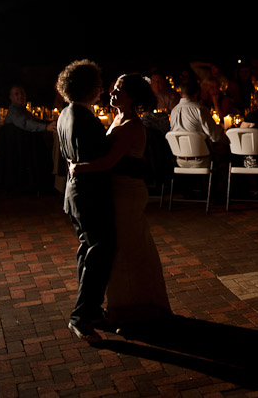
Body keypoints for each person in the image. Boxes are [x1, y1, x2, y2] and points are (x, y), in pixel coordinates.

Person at [70, 73, 171, 330]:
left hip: (127, 193)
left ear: (133, 96)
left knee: (127, 248)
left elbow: (108, 162)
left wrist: (77, 168)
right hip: (117, 190)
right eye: (113, 88)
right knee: (121, 248)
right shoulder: (117, 119)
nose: (112, 93)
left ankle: (133, 309)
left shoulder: (132, 125)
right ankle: (124, 304)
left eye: (119, 90)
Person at [56, 60, 112, 342]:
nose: (101, 89)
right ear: (86, 87)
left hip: (75, 194)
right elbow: (96, 160)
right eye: (97, 84)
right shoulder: (83, 118)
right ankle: (81, 316)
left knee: (87, 251)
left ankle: (91, 308)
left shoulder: (66, 113)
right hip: (89, 195)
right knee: (99, 253)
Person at [1, 85, 57, 195]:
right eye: (17, 94)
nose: (20, 96)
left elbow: (33, 120)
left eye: (22, 93)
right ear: (11, 98)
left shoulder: (22, 110)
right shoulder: (14, 112)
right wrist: (46, 127)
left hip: (26, 149)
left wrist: (47, 124)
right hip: (23, 152)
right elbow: (26, 124)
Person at [169, 79, 228, 169]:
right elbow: (215, 137)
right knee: (228, 151)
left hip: (179, 160)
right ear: (197, 93)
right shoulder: (200, 109)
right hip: (201, 160)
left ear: (181, 94)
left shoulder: (174, 111)